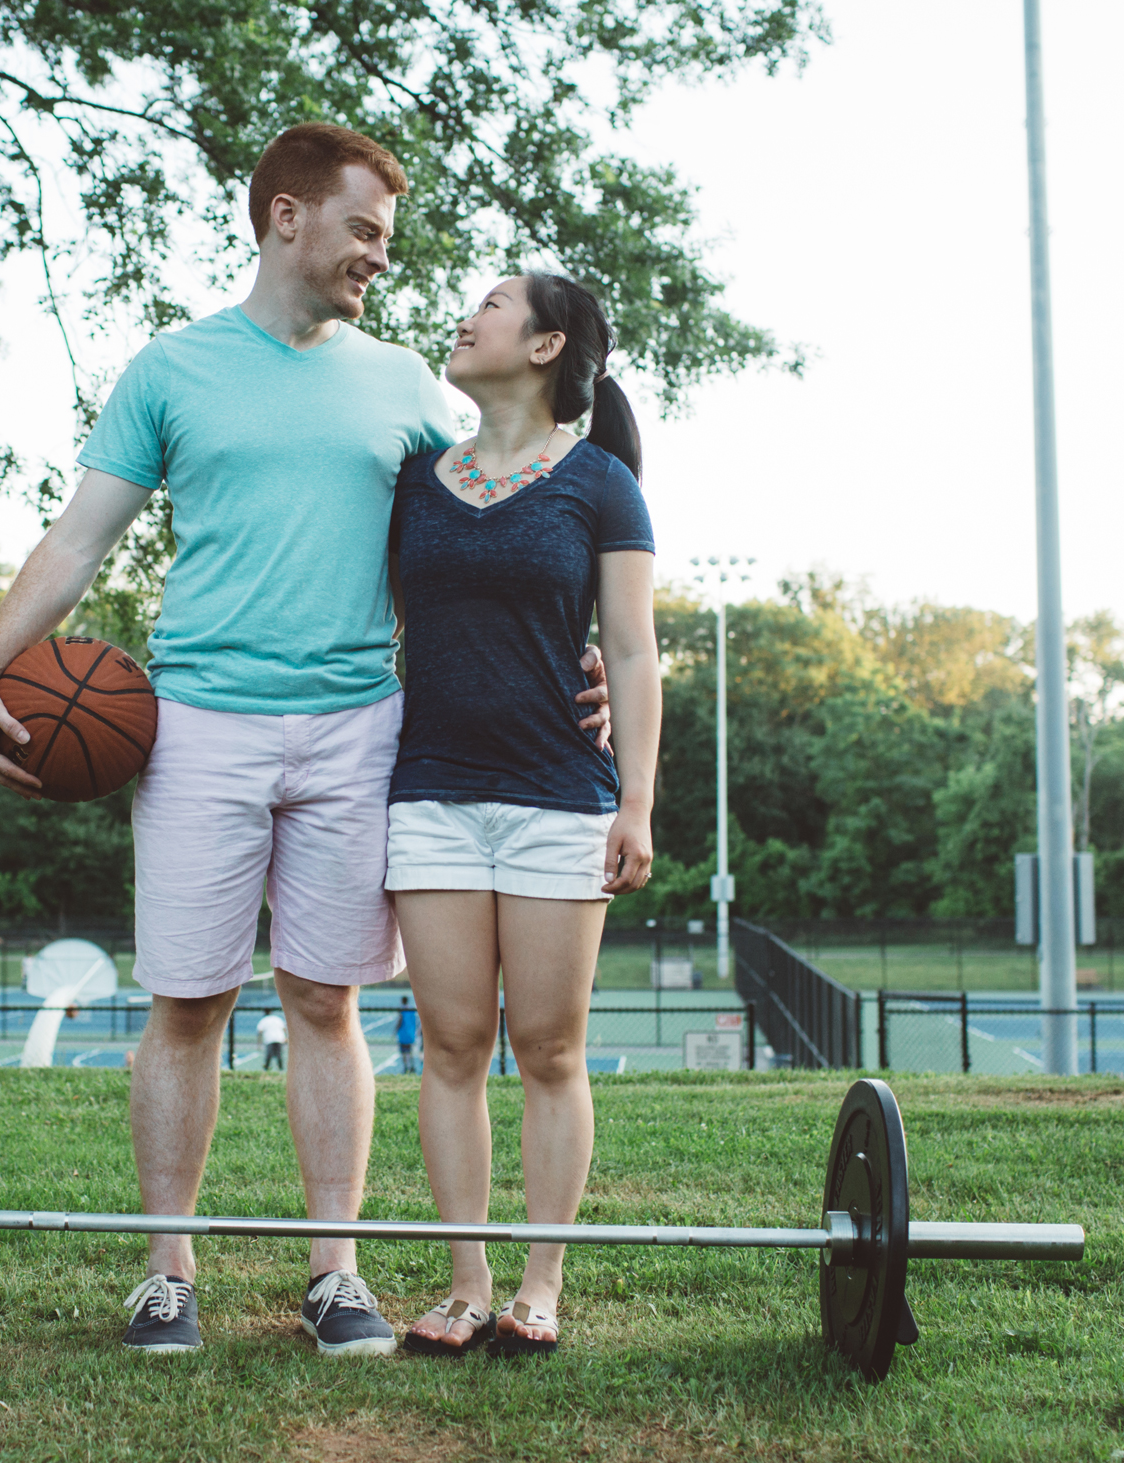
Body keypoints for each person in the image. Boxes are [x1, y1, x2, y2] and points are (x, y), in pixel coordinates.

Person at [0, 123, 608, 1359]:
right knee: (188, 1002)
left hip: (361, 727)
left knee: (325, 997)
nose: (377, 255)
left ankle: (335, 1274)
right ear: (285, 216)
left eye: (386, 239)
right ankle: (166, 1272)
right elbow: (77, 539)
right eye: (362, 229)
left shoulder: (410, 383)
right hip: (197, 723)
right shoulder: (171, 371)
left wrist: (581, 659)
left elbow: (497, 529)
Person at [391, 273, 659, 1358]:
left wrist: (637, 798)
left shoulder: (599, 483)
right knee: (450, 1046)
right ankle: (465, 1284)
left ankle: (539, 1285)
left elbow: (633, 649)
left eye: (491, 303)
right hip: (431, 797)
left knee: (549, 1049)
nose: (466, 315)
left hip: (559, 801)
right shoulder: (413, 478)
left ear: (547, 343)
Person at [394, 996, 420, 1075]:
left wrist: (395, 1030)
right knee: (410, 1051)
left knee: (403, 1052)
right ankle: (412, 1066)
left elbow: (400, 1021)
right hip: (410, 1033)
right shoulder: (412, 1009)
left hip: (403, 1034)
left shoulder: (402, 1010)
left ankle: (406, 1067)